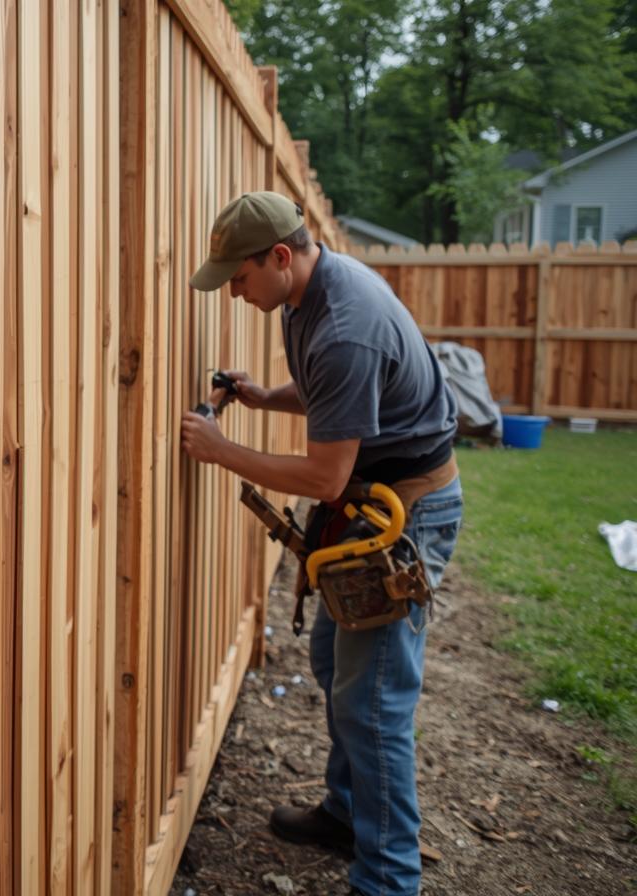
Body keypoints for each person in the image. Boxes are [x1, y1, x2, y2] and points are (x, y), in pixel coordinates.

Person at [179, 191, 463, 896]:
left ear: (280, 256)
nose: (236, 293)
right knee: (336, 659)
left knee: (373, 702)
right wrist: (262, 397)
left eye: (239, 279)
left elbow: (326, 476)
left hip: (404, 513)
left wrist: (221, 449)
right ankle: (346, 815)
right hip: (374, 501)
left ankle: (389, 879)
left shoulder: (343, 324)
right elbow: (336, 396)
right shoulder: (308, 296)